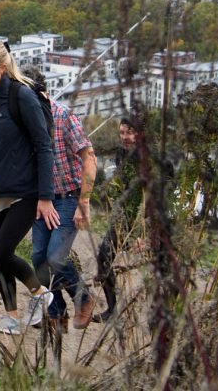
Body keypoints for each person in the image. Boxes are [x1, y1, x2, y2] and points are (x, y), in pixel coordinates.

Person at [0, 38, 57, 335]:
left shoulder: (22, 97)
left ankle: (41, 294)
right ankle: (13, 318)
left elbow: (44, 147)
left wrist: (45, 196)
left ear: (2, 68)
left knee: (3, 252)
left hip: (26, 192)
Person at [21, 66, 97, 333]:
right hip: (41, 198)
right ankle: (56, 313)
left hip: (68, 196)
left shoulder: (63, 117)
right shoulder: (24, 123)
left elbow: (90, 158)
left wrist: (84, 202)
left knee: (55, 256)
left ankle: (84, 297)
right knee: (39, 256)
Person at [92, 117, 142, 322]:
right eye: (122, 132)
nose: (125, 137)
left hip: (145, 219)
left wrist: (142, 233)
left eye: (129, 132)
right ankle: (112, 309)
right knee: (103, 257)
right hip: (124, 217)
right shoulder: (122, 154)